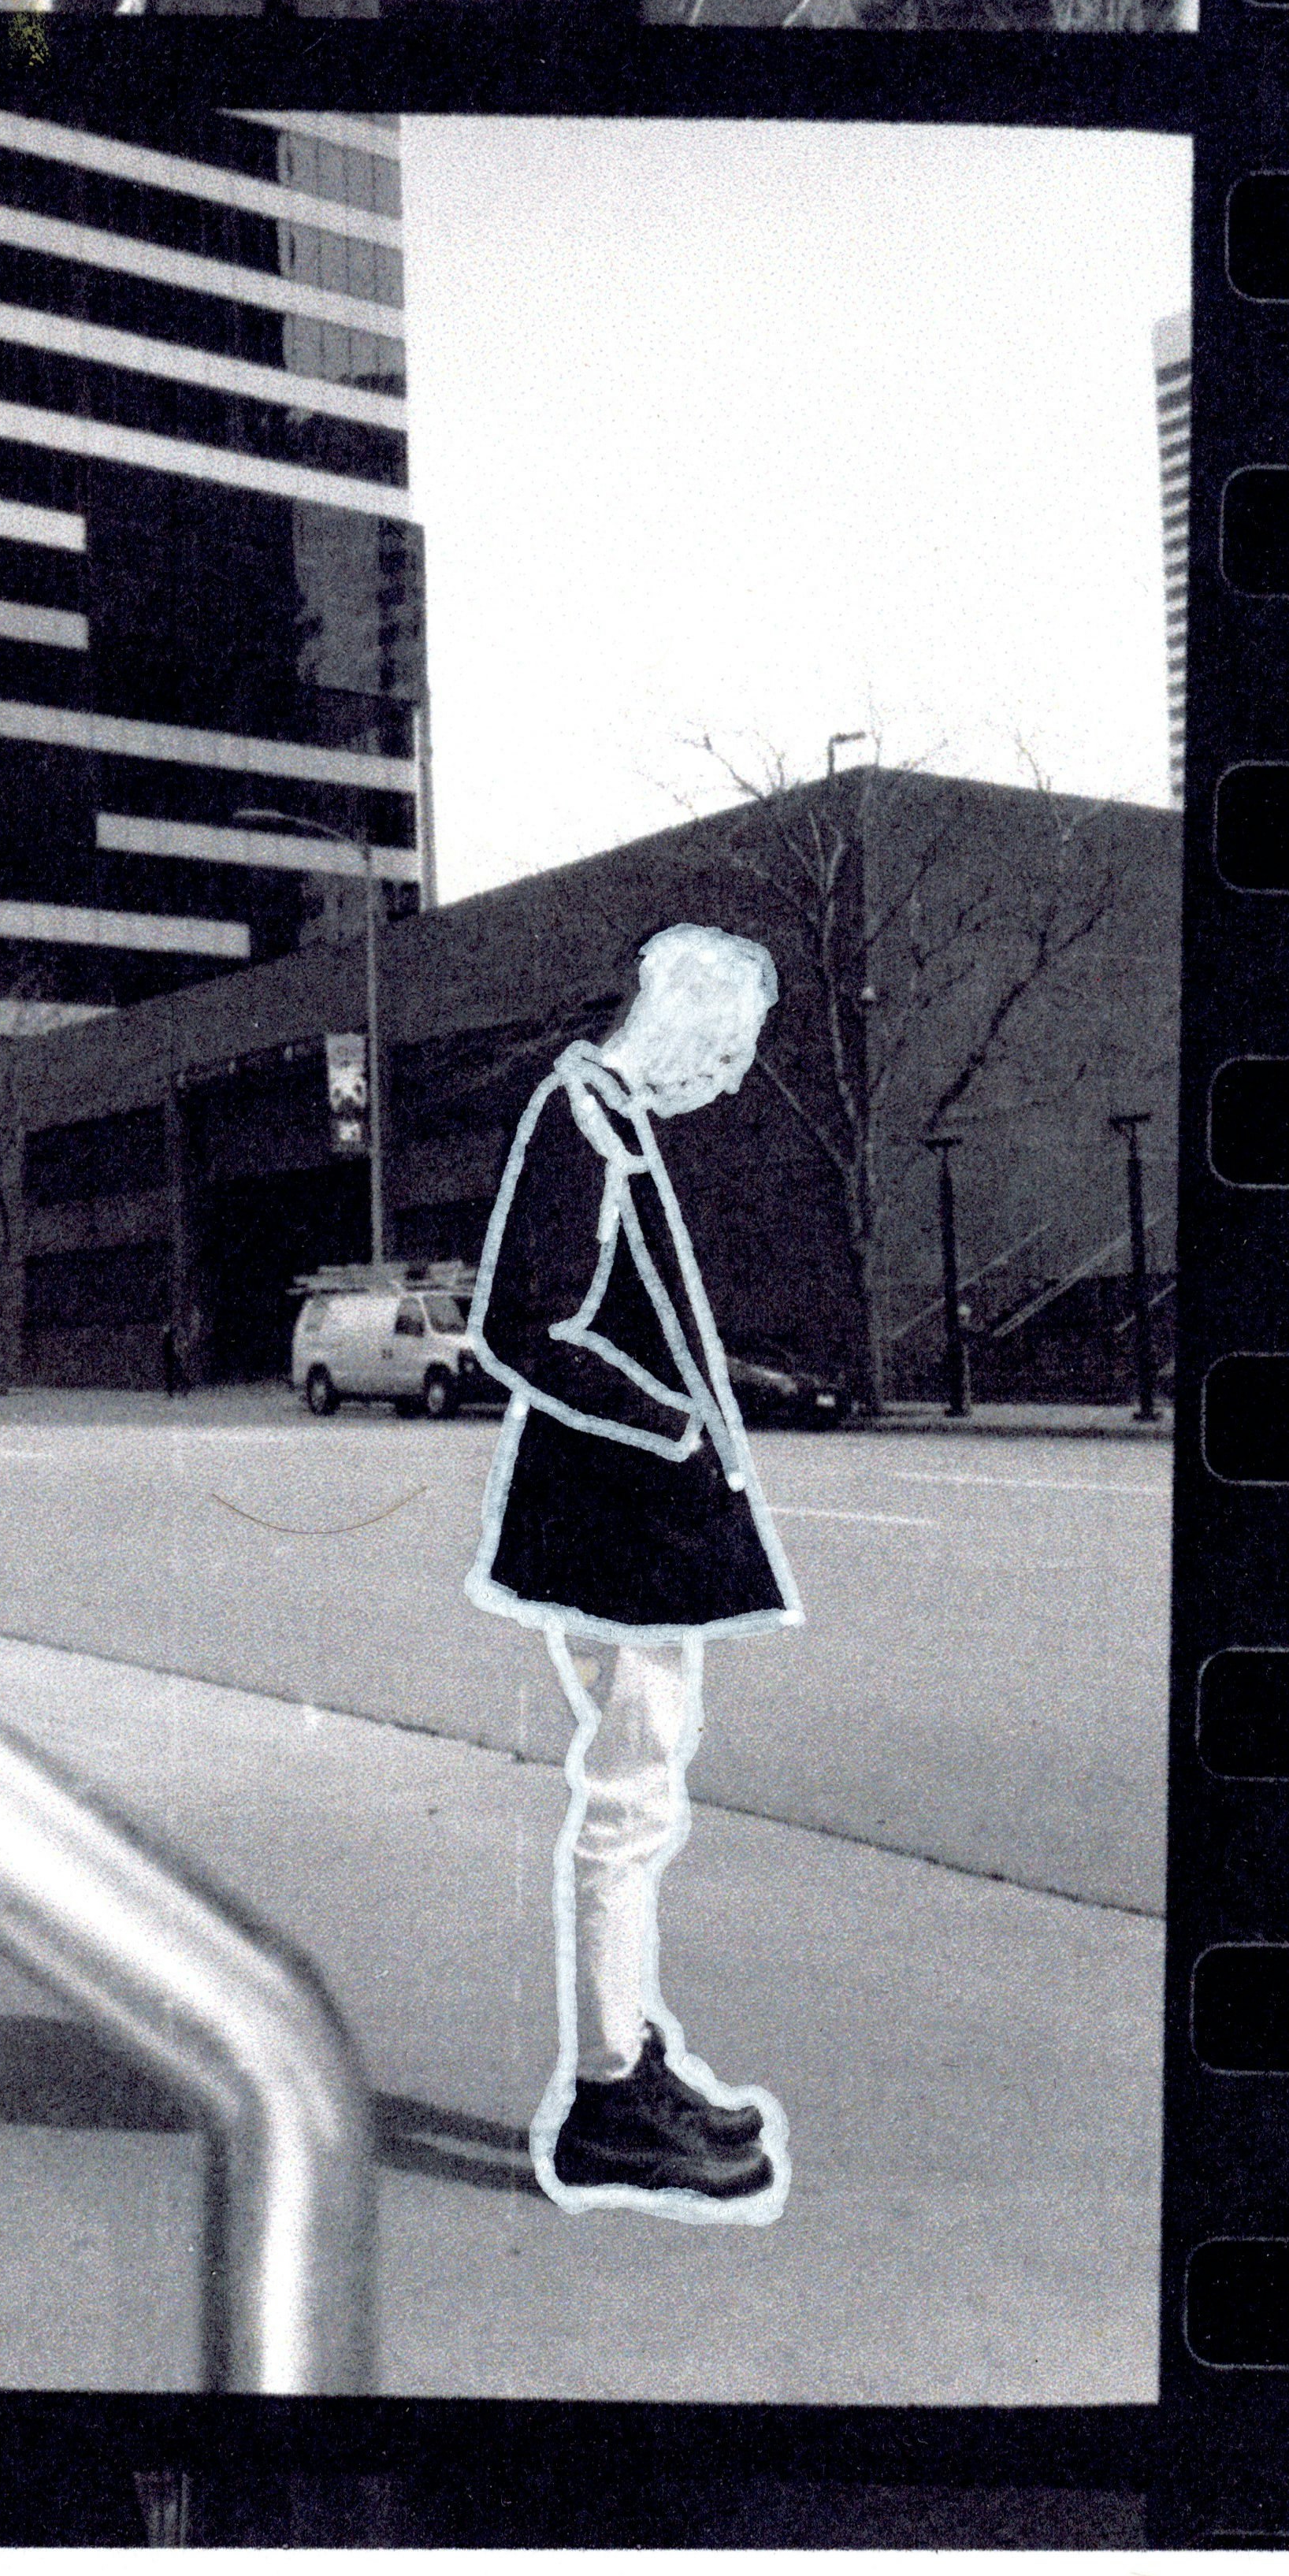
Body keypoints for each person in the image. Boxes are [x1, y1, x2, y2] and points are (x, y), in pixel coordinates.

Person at [465, 923, 801, 2219]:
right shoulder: (584, 1119)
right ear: (674, 1025)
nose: (726, 1077)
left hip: (624, 1519)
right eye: (722, 1051)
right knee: (630, 1797)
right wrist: (668, 1422)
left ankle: (627, 2056)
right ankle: (610, 2089)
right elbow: (523, 1322)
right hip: (616, 1525)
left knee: (640, 1790)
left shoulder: (601, 1114)